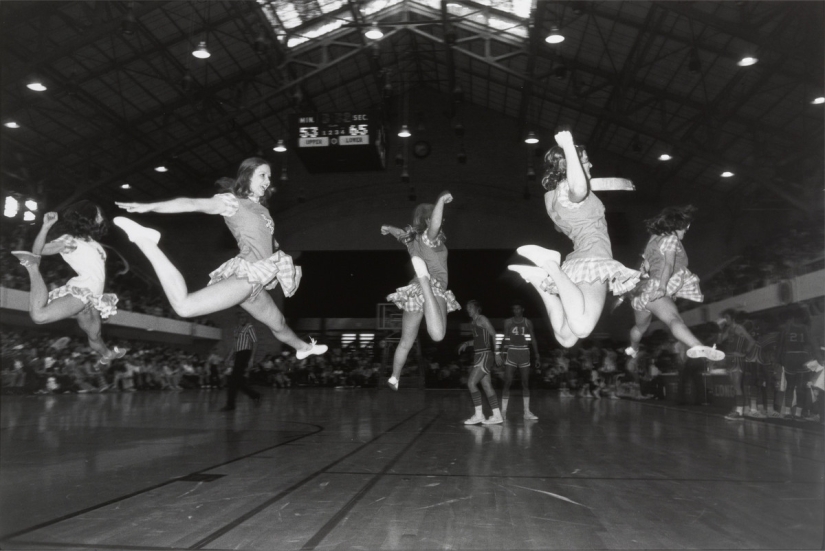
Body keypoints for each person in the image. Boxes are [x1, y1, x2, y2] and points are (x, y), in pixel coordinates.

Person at [114, 157, 327, 360]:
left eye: (269, 177)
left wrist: (276, 251)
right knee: (185, 307)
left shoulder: (262, 209)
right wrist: (151, 207)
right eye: (263, 175)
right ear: (247, 176)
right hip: (247, 275)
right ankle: (146, 241)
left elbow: (264, 240)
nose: (268, 181)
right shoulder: (232, 202)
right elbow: (191, 204)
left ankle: (303, 348)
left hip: (256, 281)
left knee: (278, 323)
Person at [508, 130, 640, 348]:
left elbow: (577, 189)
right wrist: (568, 145)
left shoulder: (554, 198)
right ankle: (550, 265)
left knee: (566, 338)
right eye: (585, 161)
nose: (590, 165)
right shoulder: (571, 192)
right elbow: (578, 187)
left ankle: (540, 280)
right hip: (594, 260)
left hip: (579, 262)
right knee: (581, 327)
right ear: (570, 166)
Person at [11, 202, 126, 364]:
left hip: (93, 298)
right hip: (81, 290)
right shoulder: (71, 241)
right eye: (98, 214)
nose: (101, 217)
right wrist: (46, 227)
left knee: (95, 335)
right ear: (88, 217)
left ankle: (107, 355)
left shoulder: (96, 245)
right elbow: (39, 251)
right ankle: (33, 268)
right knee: (39, 316)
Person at [624, 205, 724, 362]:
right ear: (677, 227)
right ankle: (696, 345)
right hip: (656, 287)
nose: (684, 233)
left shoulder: (652, 241)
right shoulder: (671, 239)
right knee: (673, 320)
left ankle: (633, 348)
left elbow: (645, 267)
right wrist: (663, 287)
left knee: (640, 327)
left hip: (642, 293)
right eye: (684, 229)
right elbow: (669, 265)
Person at [382, 191, 460, 391]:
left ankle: (394, 377)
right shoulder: (429, 238)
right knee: (438, 335)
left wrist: (388, 228)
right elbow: (434, 226)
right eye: (437, 216)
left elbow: (401, 233)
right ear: (428, 219)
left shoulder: (412, 240)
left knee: (406, 341)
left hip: (412, 291)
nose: (441, 220)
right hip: (431, 288)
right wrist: (441, 200)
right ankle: (425, 280)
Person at [458, 300, 504, 425]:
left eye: (470, 307)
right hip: (480, 355)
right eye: (467, 307)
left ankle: (479, 415)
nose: (468, 309)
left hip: (485, 355)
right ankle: (497, 415)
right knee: (486, 386)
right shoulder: (473, 323)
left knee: (471, 383)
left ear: (477, 308)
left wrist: (497, 353)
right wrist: (467, 343)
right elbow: (478, 341)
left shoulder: (481, 318)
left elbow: (494, 334)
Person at [776, 306, 823, 421]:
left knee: (790, 387)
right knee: (800, 387)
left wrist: (777, 361)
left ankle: (787, 412)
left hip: (789, 358)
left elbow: (779, 347)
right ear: (802, 317)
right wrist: (819, 359)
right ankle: (797, 414)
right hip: (802, 358)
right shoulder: (805, 329)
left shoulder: (786, 328)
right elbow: (813, 345)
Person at [500, 302, 540, 420]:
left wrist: (537, 355)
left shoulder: (528, 322)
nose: (516, 311)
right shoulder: (507, 322)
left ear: (523, 309)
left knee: (525, 383)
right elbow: (505, 338)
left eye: (518, 308)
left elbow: (533, 339)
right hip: (512, 352)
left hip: (524, 352)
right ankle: (503, 412)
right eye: (514, 309)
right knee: (507, 382)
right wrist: (502, 352)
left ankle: (526, 412)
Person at [716, 309, 756, 421]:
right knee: (735, 387)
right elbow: (719, 342)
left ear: (732, 318)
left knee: (737, 386)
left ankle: (739, 412)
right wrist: (719, 329)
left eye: (727, 317)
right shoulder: (729, 329)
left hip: (737, 359)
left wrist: (744, 353)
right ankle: (739, 409)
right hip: (730, 359)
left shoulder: (739, 328)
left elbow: (751, 341)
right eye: (724, 318)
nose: (725, 320)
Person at [220, 312, 261, 411]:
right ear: (238, 319)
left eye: (244, 317)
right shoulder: (236, 329)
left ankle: (231, 404)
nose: (242, 319)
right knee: (237, 381)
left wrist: (251, 358)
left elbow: (255, 342)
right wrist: (229, 358)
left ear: (247, 319)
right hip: (238, 354)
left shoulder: (249, 327)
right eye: (241, 317)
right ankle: (255, 395)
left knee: (233, 380)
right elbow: (235, 346)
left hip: (245, 353)